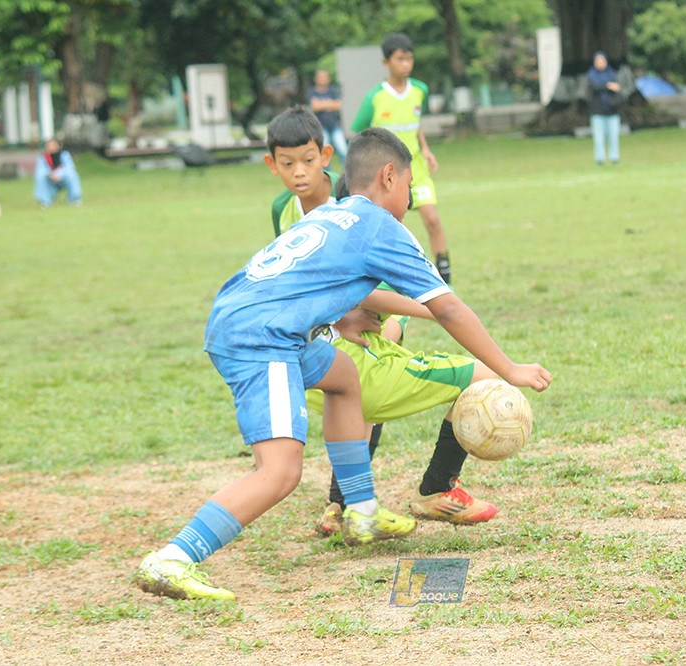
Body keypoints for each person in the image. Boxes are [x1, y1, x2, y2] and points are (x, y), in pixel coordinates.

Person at [135, 127, 552, 601]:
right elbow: (449, 308)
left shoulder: (333, 214)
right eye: (409, 186)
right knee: (280, 472)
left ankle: (362, 511)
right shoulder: (381, 226)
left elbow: (299, 278)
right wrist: (510, 368)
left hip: (254, 319)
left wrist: (340, 313)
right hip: (262, 337)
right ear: (389, 176)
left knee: (343, 378)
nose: (410, 200)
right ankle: (173, 558)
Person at [263, 107, 508, 536]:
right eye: (287, 163)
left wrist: (412, 310)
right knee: (361, 387)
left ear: (325, 157)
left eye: (307, 160)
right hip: (324, 331)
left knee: (361, 375)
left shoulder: (342, 202)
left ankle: (351, 503)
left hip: (332, 329)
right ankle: (396, 496)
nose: (299, 173)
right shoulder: (296, 211)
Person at [351, 32, 452, 284]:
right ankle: (386, 276)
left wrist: (425, 149)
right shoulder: (374, 97)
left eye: (409, 59)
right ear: (386, 62)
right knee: (389, 226)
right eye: (400, 59)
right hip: (386, 175)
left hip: (416, 169)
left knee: (432, 218)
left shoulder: (420, 90)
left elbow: (415, 124)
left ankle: (445, 276)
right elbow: (359, 132)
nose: (406, 64)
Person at [587, 52, 623, 165]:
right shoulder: (591, 76)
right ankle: (600, 158)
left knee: (613, 136)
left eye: (602, 61)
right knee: (598, 137)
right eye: (598, 61)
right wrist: (607, 86)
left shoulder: (612, 74)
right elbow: (593, 88)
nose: (600, 63)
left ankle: (614, 157)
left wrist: (612, 87)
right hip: (597, 111)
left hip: (612, 110)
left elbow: (617, 88)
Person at [307, 69, 348, 169]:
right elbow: (315, 106)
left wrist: (322, 104)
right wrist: (330, 103)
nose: (323, 80)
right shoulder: (312, 91)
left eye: (324, 77)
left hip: (334, 125)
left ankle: (349, 174)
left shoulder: (333, 90)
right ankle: (327, 175)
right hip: (321, 127)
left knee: (343, 150)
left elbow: (338, 105)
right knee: (324, 152)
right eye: (320, 77)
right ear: (316, 79)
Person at [33, 139, 82, 207]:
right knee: (40, 177)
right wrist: (50, 174)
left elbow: (69, 167)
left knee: (72, 175)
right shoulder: (43, 157)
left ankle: (75, 199)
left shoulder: (64, 155)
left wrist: (58, 174)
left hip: (63, 178)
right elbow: (41, 170)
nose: (51, 147)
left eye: (53, 145)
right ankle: (45, 201)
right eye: (49, 145)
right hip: (50, 180)